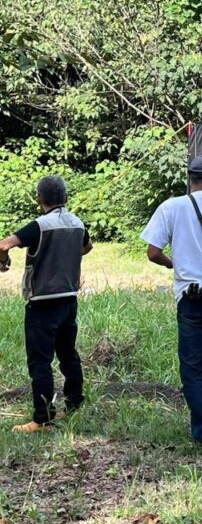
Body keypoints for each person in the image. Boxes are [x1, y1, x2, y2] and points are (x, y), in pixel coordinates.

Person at [142, 155, 202, 443]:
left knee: (192, 367)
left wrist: (174, 264)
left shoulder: (171, 207)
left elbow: (152, 252)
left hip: (191, 297)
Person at [0, 176, 92, 433]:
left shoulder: (39, 226)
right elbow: (87, 247)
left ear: (39, 199)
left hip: (42, 302)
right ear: (66, 197)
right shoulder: (77, 223)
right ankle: (74, 403)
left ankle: (42, 419)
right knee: (68, 354)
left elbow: (4, 244)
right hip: (69, 298)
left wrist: (3, 260)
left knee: (40, 362)